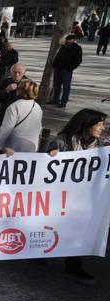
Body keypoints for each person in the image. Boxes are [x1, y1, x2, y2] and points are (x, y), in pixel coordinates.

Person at [48, 109, 106, 285]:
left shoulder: (99, 145)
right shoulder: (62, 142)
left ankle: (73, 264)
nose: (102, 128)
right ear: (86, 125)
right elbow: (43, 169)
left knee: (76, 229)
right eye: (99, 124)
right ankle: (38, 253)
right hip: (59, 197)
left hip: (82, 198)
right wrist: (50, 155)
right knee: (51, 225)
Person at [0, 80, 42, 154]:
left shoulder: (14, 106)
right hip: (31, 147)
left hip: (13, 147)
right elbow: (38, 128)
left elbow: (6, 129)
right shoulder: (37, 107)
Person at [0, 63, 28, 134]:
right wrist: (7, 90)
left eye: (19, 73)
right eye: (14, 72)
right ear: (10, 72)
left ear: (24, 73)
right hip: (4, 117)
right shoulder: (5, 82)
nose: (17, 75)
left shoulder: (28, 84)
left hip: (19, 120)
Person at [51, 35, 82, 108]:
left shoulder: (77, 48)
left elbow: (78, 60)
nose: (67, 41)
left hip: (67, 70)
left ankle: (63, 102)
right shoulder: (63, 47)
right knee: (56, 85)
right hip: (58, 68)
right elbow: (58, 56)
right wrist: (54, 64)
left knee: (66, 86)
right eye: (67, 40)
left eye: (69, 40)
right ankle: (55, 99)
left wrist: (70, 68)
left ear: (73, 40)